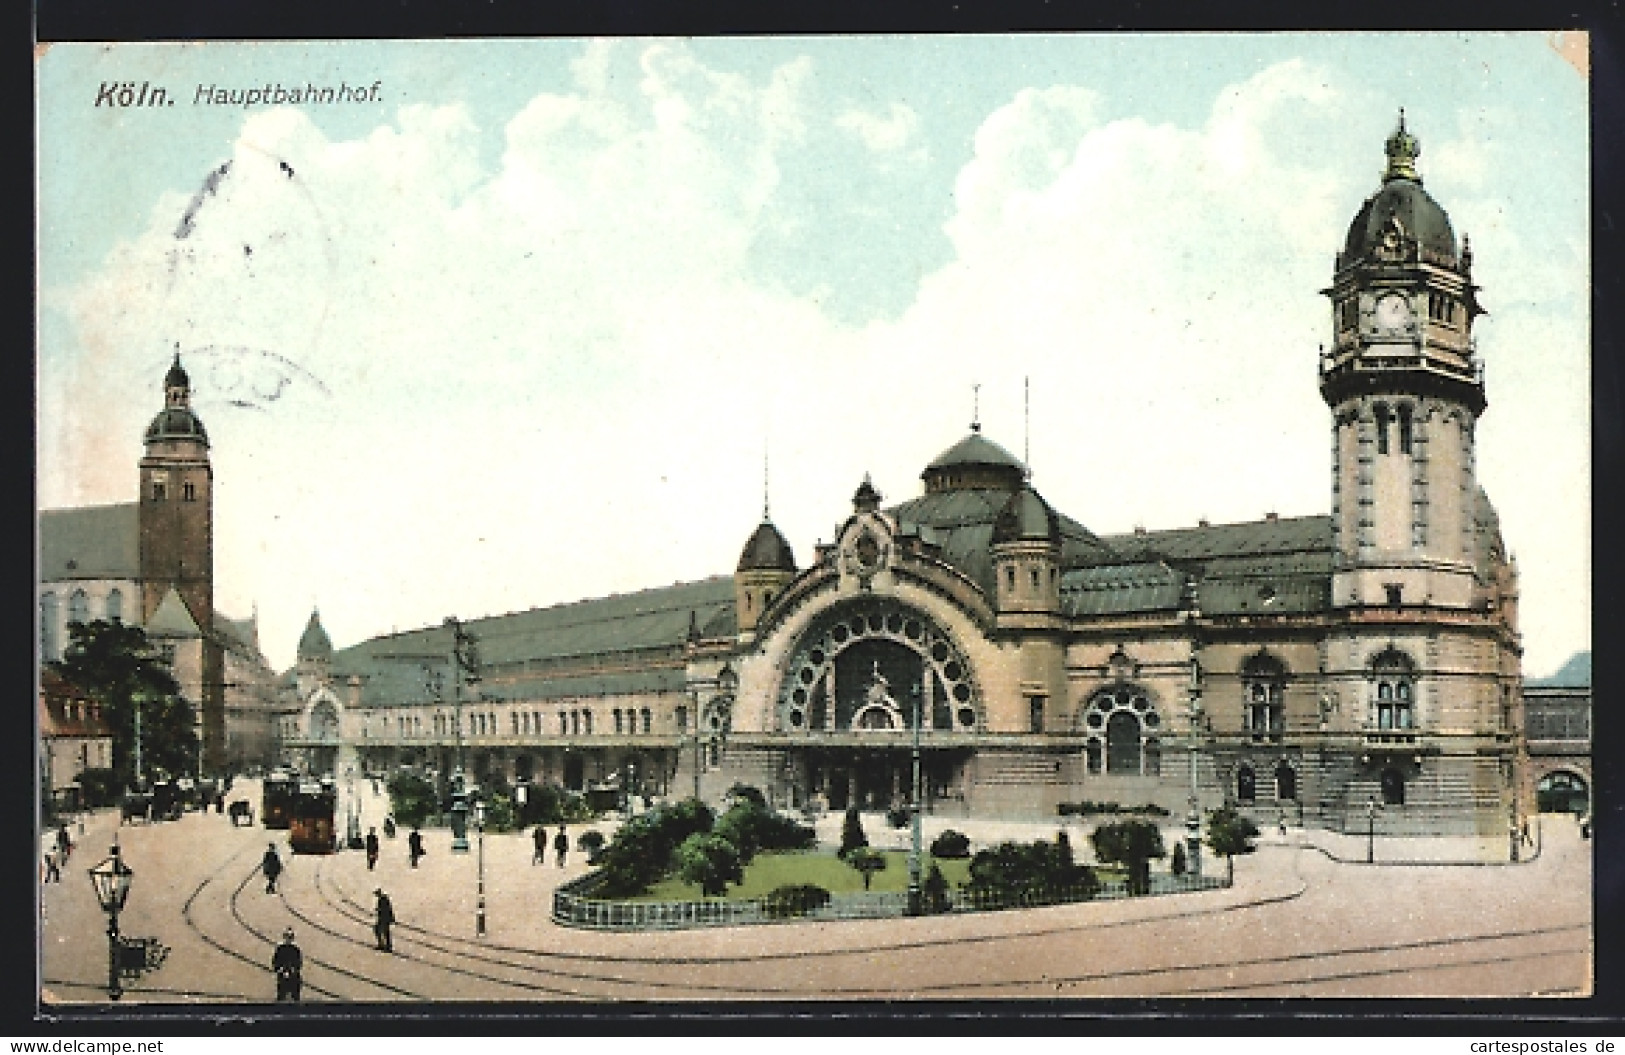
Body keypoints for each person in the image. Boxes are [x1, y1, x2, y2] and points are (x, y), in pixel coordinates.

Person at [272, 928, 303, 1002]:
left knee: (295, 987)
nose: (288, 939)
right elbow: (275, 961)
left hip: (293, 974)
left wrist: (294, 969)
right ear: (284, 937)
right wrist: (279, 969)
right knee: (281, 990)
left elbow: (299, 963)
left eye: (290, 937)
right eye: (287, 936)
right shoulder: (280, 948)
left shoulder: (296, 949)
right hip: (282, 971)